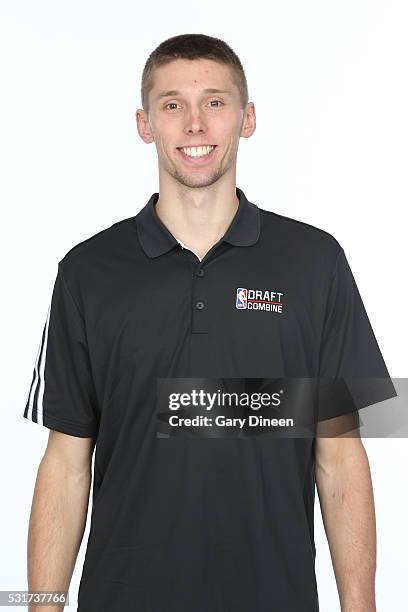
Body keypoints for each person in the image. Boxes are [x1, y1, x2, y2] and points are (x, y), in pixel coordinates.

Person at [23, 33, 395, 612]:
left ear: (247, 118)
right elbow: (66, 463)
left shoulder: (314, 261)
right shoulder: (87, 273)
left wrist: (362, 608)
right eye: (173, 105)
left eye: (215, 103)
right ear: (145, 124)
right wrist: (39, 606)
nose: (195, 125)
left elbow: (340, 454)